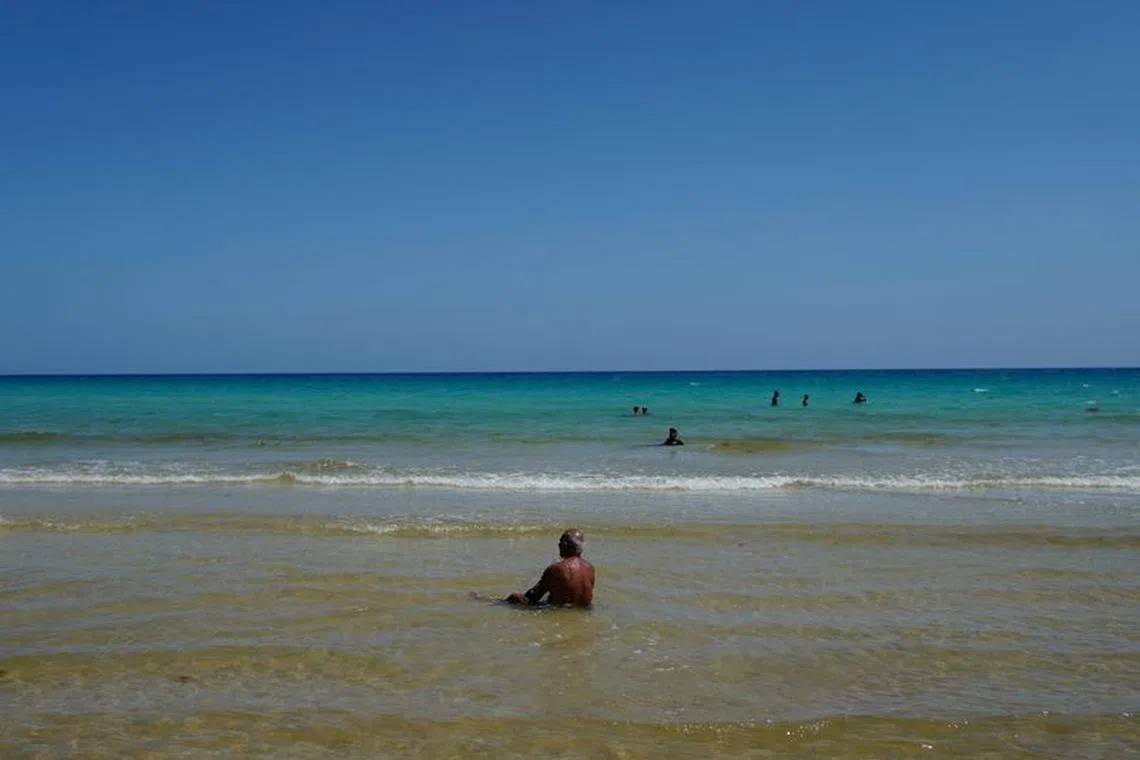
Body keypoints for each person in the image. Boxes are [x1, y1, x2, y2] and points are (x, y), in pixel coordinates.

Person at [505, 529, 595, 608]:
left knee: (514, 598)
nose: (558, 545)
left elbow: (533, 596)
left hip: (560, 611)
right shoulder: (590, 568)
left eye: (560, 542)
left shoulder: (557, 568)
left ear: (564, 545)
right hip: (584, 610)